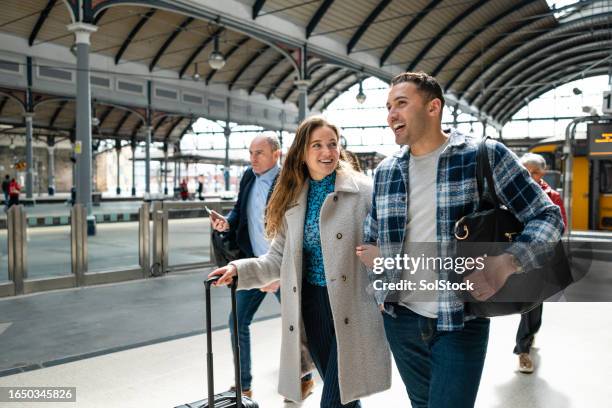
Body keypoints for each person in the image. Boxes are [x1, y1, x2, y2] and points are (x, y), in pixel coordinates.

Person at [357, 72, 564, 408]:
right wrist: (380, 280)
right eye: (388, 106)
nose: (391, 114)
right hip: (401, 319)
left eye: (401, 104)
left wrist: (508, 262)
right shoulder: (386, 171)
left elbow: (547, 216)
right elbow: (372, 234)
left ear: (433, 107)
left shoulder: (483, 155)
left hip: (459, 319)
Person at [209, 117, 391, 407]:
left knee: (334, 401)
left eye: (332, 144)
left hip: (354, 307)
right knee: (346, 399)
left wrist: (383, 268)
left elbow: (392, 245)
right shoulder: (294, 197)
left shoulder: (364, 191)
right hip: (313, 307)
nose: (327, 152)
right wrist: (238, 270)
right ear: (302, 153)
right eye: (317, 145)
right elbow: (277, 259)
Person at [209, 133, 314, 400]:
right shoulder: (247, 176)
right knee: (237, 322)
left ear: (276, 154)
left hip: (284, 266)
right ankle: (243, 386)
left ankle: (304, 378)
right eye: (251, 153)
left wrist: (281, 270)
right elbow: (239, 210)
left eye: (259, 153)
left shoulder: (289, 181)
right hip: (253, 264)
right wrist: (227, 223)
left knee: (296, 323)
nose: (252, 158)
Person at [514, 153, 567, 374]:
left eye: (534, 172)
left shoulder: (552, 196)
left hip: (538, 258)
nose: (529, 176)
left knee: (532, 303)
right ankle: (529, 333)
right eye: (525, 171)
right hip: (512, 254)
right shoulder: (511, 191)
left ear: (542, 173)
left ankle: (523, 350)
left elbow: (559, 225)